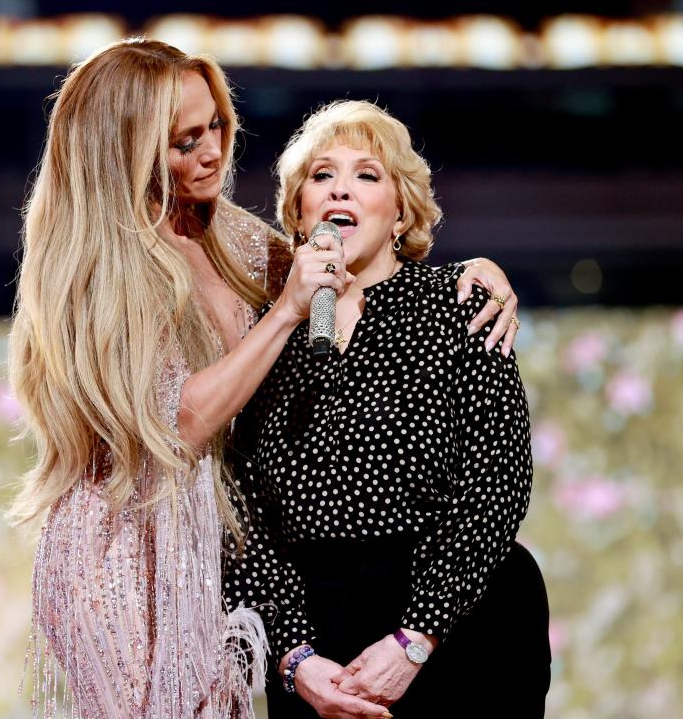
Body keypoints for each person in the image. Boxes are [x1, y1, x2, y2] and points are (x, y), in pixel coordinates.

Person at [7, 38, 523, 719]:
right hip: (131, 547)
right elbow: (180, 426)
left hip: (213, 540)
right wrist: (285, 313)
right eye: (183, 141)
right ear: (124, 149)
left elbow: (353, 249)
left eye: (216, 124)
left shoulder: (232, 236)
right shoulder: (97, 268)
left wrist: (478, 269)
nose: (213, 153)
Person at [223, 100, 550, 719]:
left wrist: (417, 638)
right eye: (321, 176)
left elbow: (498, 484)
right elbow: (242, 507)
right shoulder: (266, 332)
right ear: (299, 211)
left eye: (366, 175)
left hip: (457, 628)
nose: (340, 188)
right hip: (321, 652)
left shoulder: (458, 303)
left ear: (400, 210)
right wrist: (294, 659)